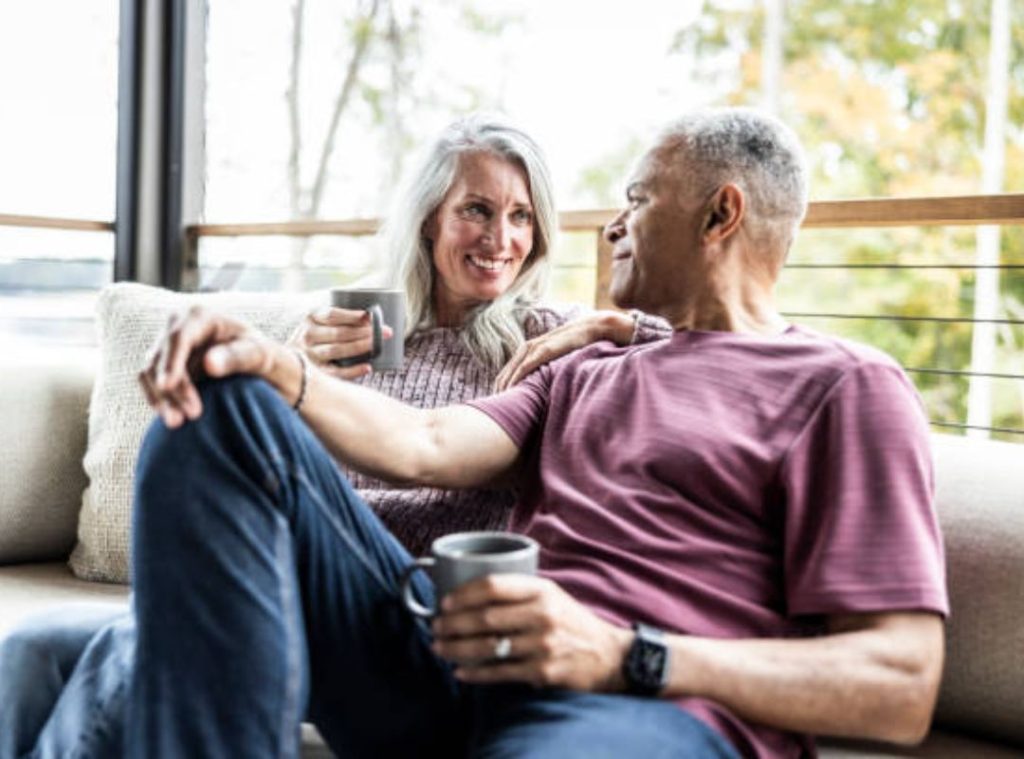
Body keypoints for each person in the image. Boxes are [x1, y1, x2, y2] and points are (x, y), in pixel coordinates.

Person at [118, 107, 948, 757]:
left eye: (637, 200)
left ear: (719, 214)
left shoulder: (844, 384)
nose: (613, 226)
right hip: (449, 661)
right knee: (222, 406)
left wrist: (626, 653)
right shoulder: (583, 367)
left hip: (635, 706)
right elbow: (426, 444)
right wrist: (274, 365)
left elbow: (901, 684)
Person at [0, 115, 668, 759]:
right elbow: (252, 473)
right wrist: (297, 369)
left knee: (136, 650)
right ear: (430, 217)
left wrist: (617, 326)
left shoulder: (547, 336)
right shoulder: (361, 327)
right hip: (280, 575)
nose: (501, 238)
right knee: (31, 648)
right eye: (477, 210)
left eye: (521, 216)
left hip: (394, 613)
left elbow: (695, 357)